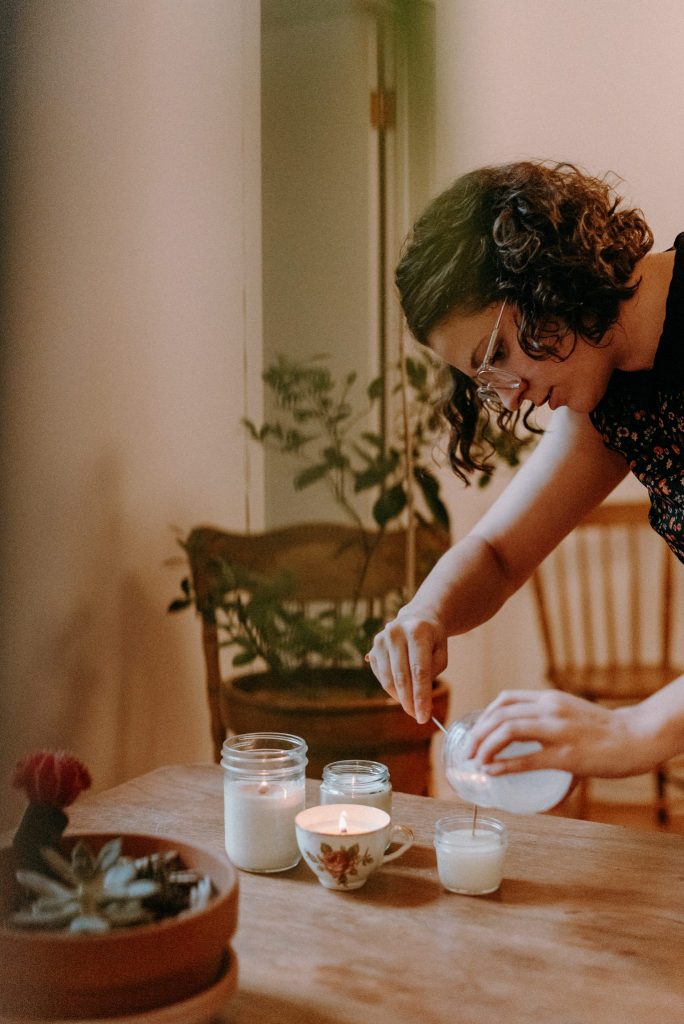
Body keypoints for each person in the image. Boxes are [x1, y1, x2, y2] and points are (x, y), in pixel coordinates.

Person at [367, 160, 684, 783]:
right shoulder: (615, 394)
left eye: (497, 353)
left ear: (544, 276)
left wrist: (635, 726)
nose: (509, 397)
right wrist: (425, 613)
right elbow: (497, 555)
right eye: (484, 381)